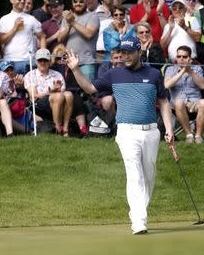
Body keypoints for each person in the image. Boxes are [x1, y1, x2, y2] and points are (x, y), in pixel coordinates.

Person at [66, 35, 173, 235]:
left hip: (151, 131)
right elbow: (90, 88)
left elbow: (164, 102)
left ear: (139, 51)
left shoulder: (154, 74)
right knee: (135, 174)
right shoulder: (114, 74)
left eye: (129, 52)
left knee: (149, 176)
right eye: (122, 53)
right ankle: (139, 221)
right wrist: (75, 69)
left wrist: (168, 128)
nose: (125, 56)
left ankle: (138, 212)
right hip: (126, 132)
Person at [164, 45, 204, 144]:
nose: (181, 59)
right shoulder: (170, 69)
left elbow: (202, 86)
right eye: (179, 57)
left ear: (190, 58)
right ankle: (189, 135)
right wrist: (183, 71)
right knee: (179, 102)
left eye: (184, 57)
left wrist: (190, 71)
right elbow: (167, 85)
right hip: (177, 104)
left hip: (195, 102)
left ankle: (198, 136)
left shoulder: (197, 69)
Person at [24, 48, 73, 136]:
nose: (43, 62)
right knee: (58, 96)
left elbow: (63, 93)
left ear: (49, 61)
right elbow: (34, 96)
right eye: (40, 60)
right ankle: (57, 129)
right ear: (36, 61)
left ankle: (65, 129)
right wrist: (51, 92)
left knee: (69, 95)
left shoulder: (57, 74)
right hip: (38, 103)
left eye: (45, 60)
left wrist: (55, 91)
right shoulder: (30, 75)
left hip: (56, 100)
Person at [0, 0, 46, 74]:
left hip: (28, 61)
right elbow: (1, 40)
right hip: (9, 61)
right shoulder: (4, 19)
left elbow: (42, 37)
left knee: (29, 87)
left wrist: (42, 56)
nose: (22, 1)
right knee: (10, 87)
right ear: (11, 0)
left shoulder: (31, 19)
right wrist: (15, 28)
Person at [58, 0, 100, 81]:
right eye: (75, 1)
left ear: (86, 2)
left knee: (88, 93)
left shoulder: (93, 16)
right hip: (70, 63)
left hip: (86, 63)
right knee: (71, 93)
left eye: (81, 1)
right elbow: (60, 39)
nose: (78, 4)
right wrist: (69, 25)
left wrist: (72, 22)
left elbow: (89, 34)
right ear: (72, 3)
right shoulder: (67, 18)